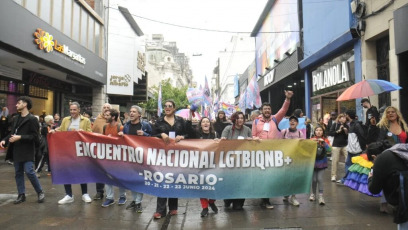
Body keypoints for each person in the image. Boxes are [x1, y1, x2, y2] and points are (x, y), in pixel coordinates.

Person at [251, 90, 293, 208]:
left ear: (271, 111)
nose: (267, 111)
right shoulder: (256, 121)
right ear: (262, 110)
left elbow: (283, 110)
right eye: (265, 109)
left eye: (269, 109)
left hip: (273, 154)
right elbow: (253, 135)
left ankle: (266, 199)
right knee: (262, 176)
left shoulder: (275, 119)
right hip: (260, 154)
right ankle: (264, 199)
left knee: (270, 176)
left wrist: (288, 99)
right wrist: (255, 139)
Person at [0, 96, 45, 204]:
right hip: (16, 150)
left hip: (28, 150)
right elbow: (12, 134)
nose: (16, 105)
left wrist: (20, 137)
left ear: (25, 104)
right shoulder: (16, 118)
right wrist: (4, 140)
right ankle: (21, 195)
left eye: (18, 103)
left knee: (29, 171)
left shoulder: (32, 119)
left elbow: (35, 137)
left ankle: (40, 192)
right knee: (18, 173)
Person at [152, 99, 188, 219]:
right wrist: (161, 134)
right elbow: (152, 135)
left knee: (174, 180)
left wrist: (182, 136)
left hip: (177, 155)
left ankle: (173, 207)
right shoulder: (159, 121)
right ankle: (160, 210)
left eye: (169, 106)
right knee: (162, 180)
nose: (167, 108)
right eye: (165, 106)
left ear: (174, 108)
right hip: (162, 156)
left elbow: (191, 134)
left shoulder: (180, 121)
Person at [51, 102, 93, 205]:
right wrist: (55, 131)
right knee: (66, 171)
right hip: (67, 149)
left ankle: (85, 193)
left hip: (80, 150)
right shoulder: (65, 120)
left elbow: (90, 134)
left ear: (79, 110)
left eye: (74, 110)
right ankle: (68, 195)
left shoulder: (86, 120)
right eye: (71, 110)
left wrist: (83, 132)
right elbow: (61, 130)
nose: (72, 112)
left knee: (82, 171)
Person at [368, 143, 408, 228]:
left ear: (374, 157)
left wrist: (370, 178)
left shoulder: (383, 158)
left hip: (405, 208)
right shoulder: (402, 148)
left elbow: (374, 189)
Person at [122, 106, 152, 212]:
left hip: (142, 157)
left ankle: (139, 202)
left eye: (134, 112)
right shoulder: (126, 125)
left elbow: (154, 139)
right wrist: (121, 135)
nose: (131, 113)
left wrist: (145, 134)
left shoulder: (145, 125)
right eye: (130, 112)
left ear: (139, 114)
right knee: (132, 179)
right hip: (130, 157)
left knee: (139, 179)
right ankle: (134, 200)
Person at [221, 111, 252, 210]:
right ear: (234, 119)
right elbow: (223, 142)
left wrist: (251, 140)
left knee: (241, 182)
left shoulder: (247, 129)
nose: (240, 120)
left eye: (242, 118)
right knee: (230, 181)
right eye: (238, 118)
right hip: (230, 161)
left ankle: (239, 201)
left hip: (243, 161)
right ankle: (228, 199)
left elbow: (251, 144)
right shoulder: (228, 129)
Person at [190, 117, 219, 217]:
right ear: (200, 124)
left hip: (212, 163)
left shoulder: (215, 134)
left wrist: (218, 141)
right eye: (203, 122)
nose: (206, 123)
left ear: (210, 125)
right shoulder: (196, 134)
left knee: (214, 185)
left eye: (207, 122)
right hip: (200, 163)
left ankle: (211, 201)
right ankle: (205, 207)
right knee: (201, 186)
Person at [100, 108, 127, 208]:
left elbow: (126, 142)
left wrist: (121, 137)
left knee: (120, 177)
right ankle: (110, 198)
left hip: (119, 157)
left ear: (113, 117)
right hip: (108, 157)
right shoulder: (104, 127)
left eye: (107, 115)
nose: (105, 117)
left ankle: (122, 196)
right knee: (107, 178)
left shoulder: (120, 127)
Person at [91, 103, 115, 200]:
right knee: (99, 171)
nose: (106, 109)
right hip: (100, 149)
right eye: (104, 107)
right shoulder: (98, 120)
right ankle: (99, 191)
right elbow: (92, 133)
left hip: (112, 150)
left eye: (108, 107)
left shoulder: (116, 120)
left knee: (110, 172)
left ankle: (110, 194)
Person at [281, 115, 304, 206]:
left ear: (297, 123)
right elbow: (279, 144)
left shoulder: (300, 134)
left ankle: (293, 197)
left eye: (294, 121)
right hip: (286, 158)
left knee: (294, 177)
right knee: (286, 177)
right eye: (291, 120)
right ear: (289, 122)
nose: (292, 122)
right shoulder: (284, 132)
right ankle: (286, 194)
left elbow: (303, 146)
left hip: (296, 159)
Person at [340, 110, 366, 184]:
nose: (345, 117)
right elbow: (351, 137)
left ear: (348, 115)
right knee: (348, 165)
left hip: (356, 150)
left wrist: (362, 147)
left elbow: (361, 136)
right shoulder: (351, 124)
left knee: (358, 166)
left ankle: (354, 180)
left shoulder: (356, 125)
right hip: (351, 150)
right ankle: (347, 179)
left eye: (345, 115)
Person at [309, 126, 331, 205]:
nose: (318, 132)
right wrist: (312, 143)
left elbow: (329, 150)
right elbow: (306, 148)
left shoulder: (325, 140)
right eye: (317, 130)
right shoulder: (311, 140)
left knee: (320, 179)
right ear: (314, 132)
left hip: (322, 162)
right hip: (313, 162)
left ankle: (321, 196)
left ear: (323, 132)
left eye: (320, 130)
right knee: (314, 179)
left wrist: (324, 143)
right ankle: (313, 194)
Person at [329, 113, 349, 182]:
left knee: (348, 160)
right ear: (339, 118)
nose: (344, 119)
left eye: (345, 118)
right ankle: (333, 176)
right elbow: (331, 133)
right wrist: (338, 130)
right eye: (342, 118)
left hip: (345, 145)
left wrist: (346, 132)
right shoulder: (335, 124)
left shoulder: (347, 125)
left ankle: (348, 175)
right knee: (335, 161)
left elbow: (348, 136)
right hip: (336, 145)